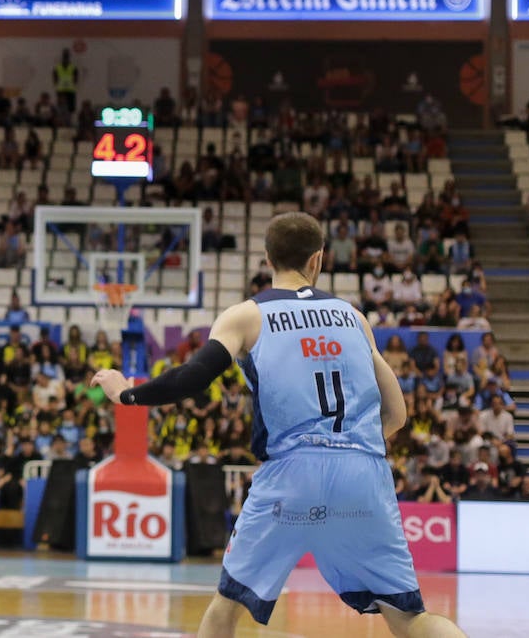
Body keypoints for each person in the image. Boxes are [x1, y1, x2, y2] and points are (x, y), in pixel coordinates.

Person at [92, 212, 464, 638]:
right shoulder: (354, 318)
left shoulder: (246, 316)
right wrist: (350, 445)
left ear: (267, 259)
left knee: (227, 606)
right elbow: (397, 413)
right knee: (410, 619)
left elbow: (194, 376)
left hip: (291, 473)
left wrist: (127, 394)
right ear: (318, 260)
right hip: (363, 471)